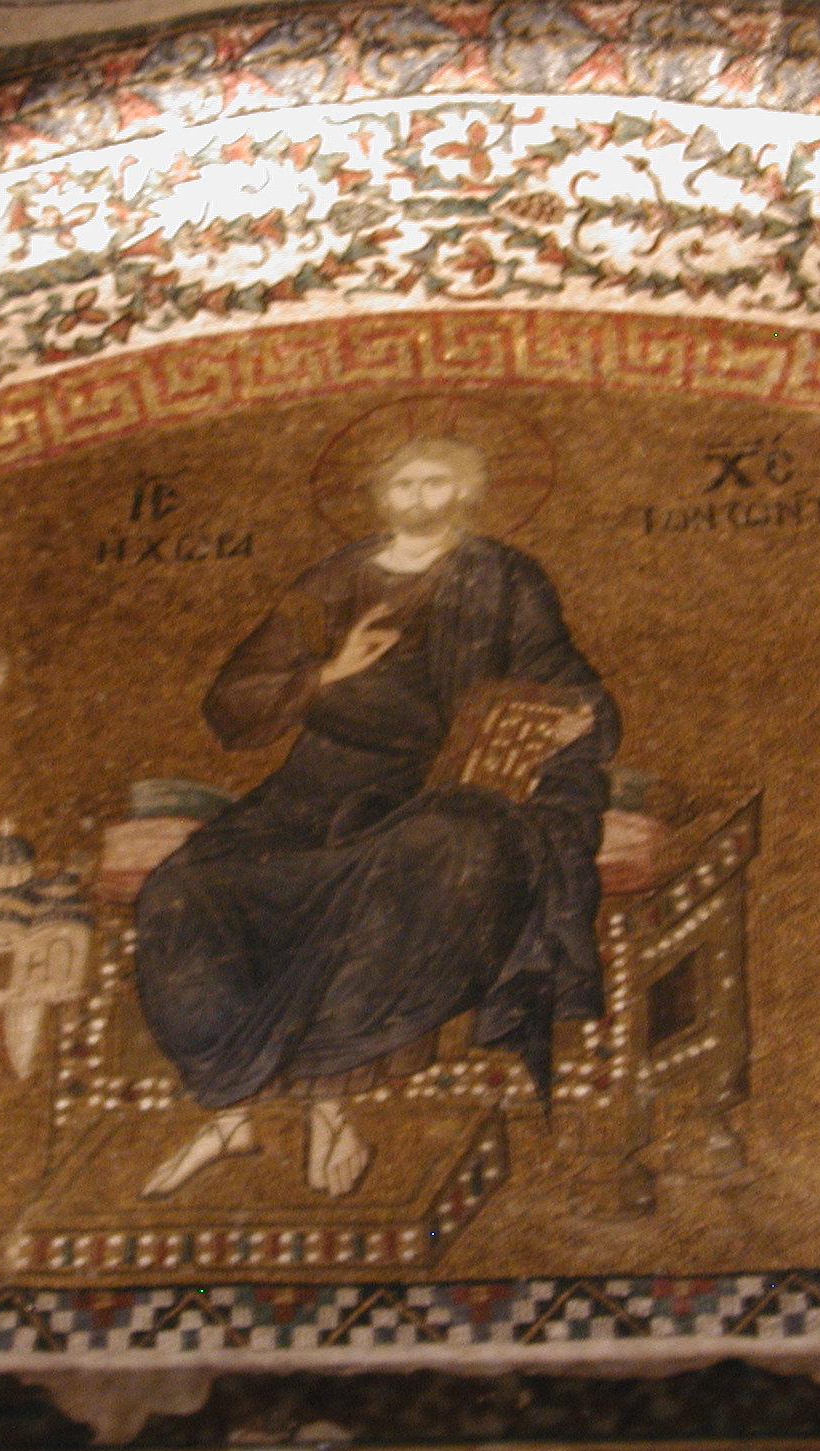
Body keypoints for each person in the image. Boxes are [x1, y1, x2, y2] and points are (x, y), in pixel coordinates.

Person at [134, 435, 618, 1198]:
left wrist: (574, 719)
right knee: (184, 887)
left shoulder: (504, 576)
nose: (419, 498)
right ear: (378, 495)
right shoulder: (331, 581)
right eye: (403, 484)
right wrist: (329, 671)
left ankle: (331, 1106)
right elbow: (233, 699)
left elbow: (562, 676)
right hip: (317, 788)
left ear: (467, 492)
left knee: (426, 853)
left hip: (447, 787)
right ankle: (230, 1109)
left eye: (436, 482)